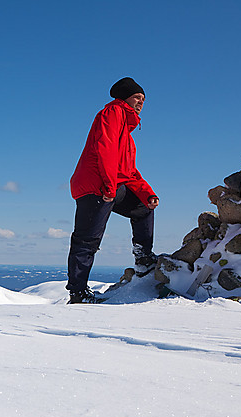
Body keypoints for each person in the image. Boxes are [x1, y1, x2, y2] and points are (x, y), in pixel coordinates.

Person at [66, 77, 160, 304]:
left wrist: (147, 193)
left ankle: (143, 257)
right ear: (125, 98)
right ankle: (77, 294)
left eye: (144, 99)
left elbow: (130, 172)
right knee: (87, 240)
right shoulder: (112, 113)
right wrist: (108, 186)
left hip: (112, 185)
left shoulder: (127, 136)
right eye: (137, 97)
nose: (141, 102)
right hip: (95, 186)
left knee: (143, 208)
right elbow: (104, 149)